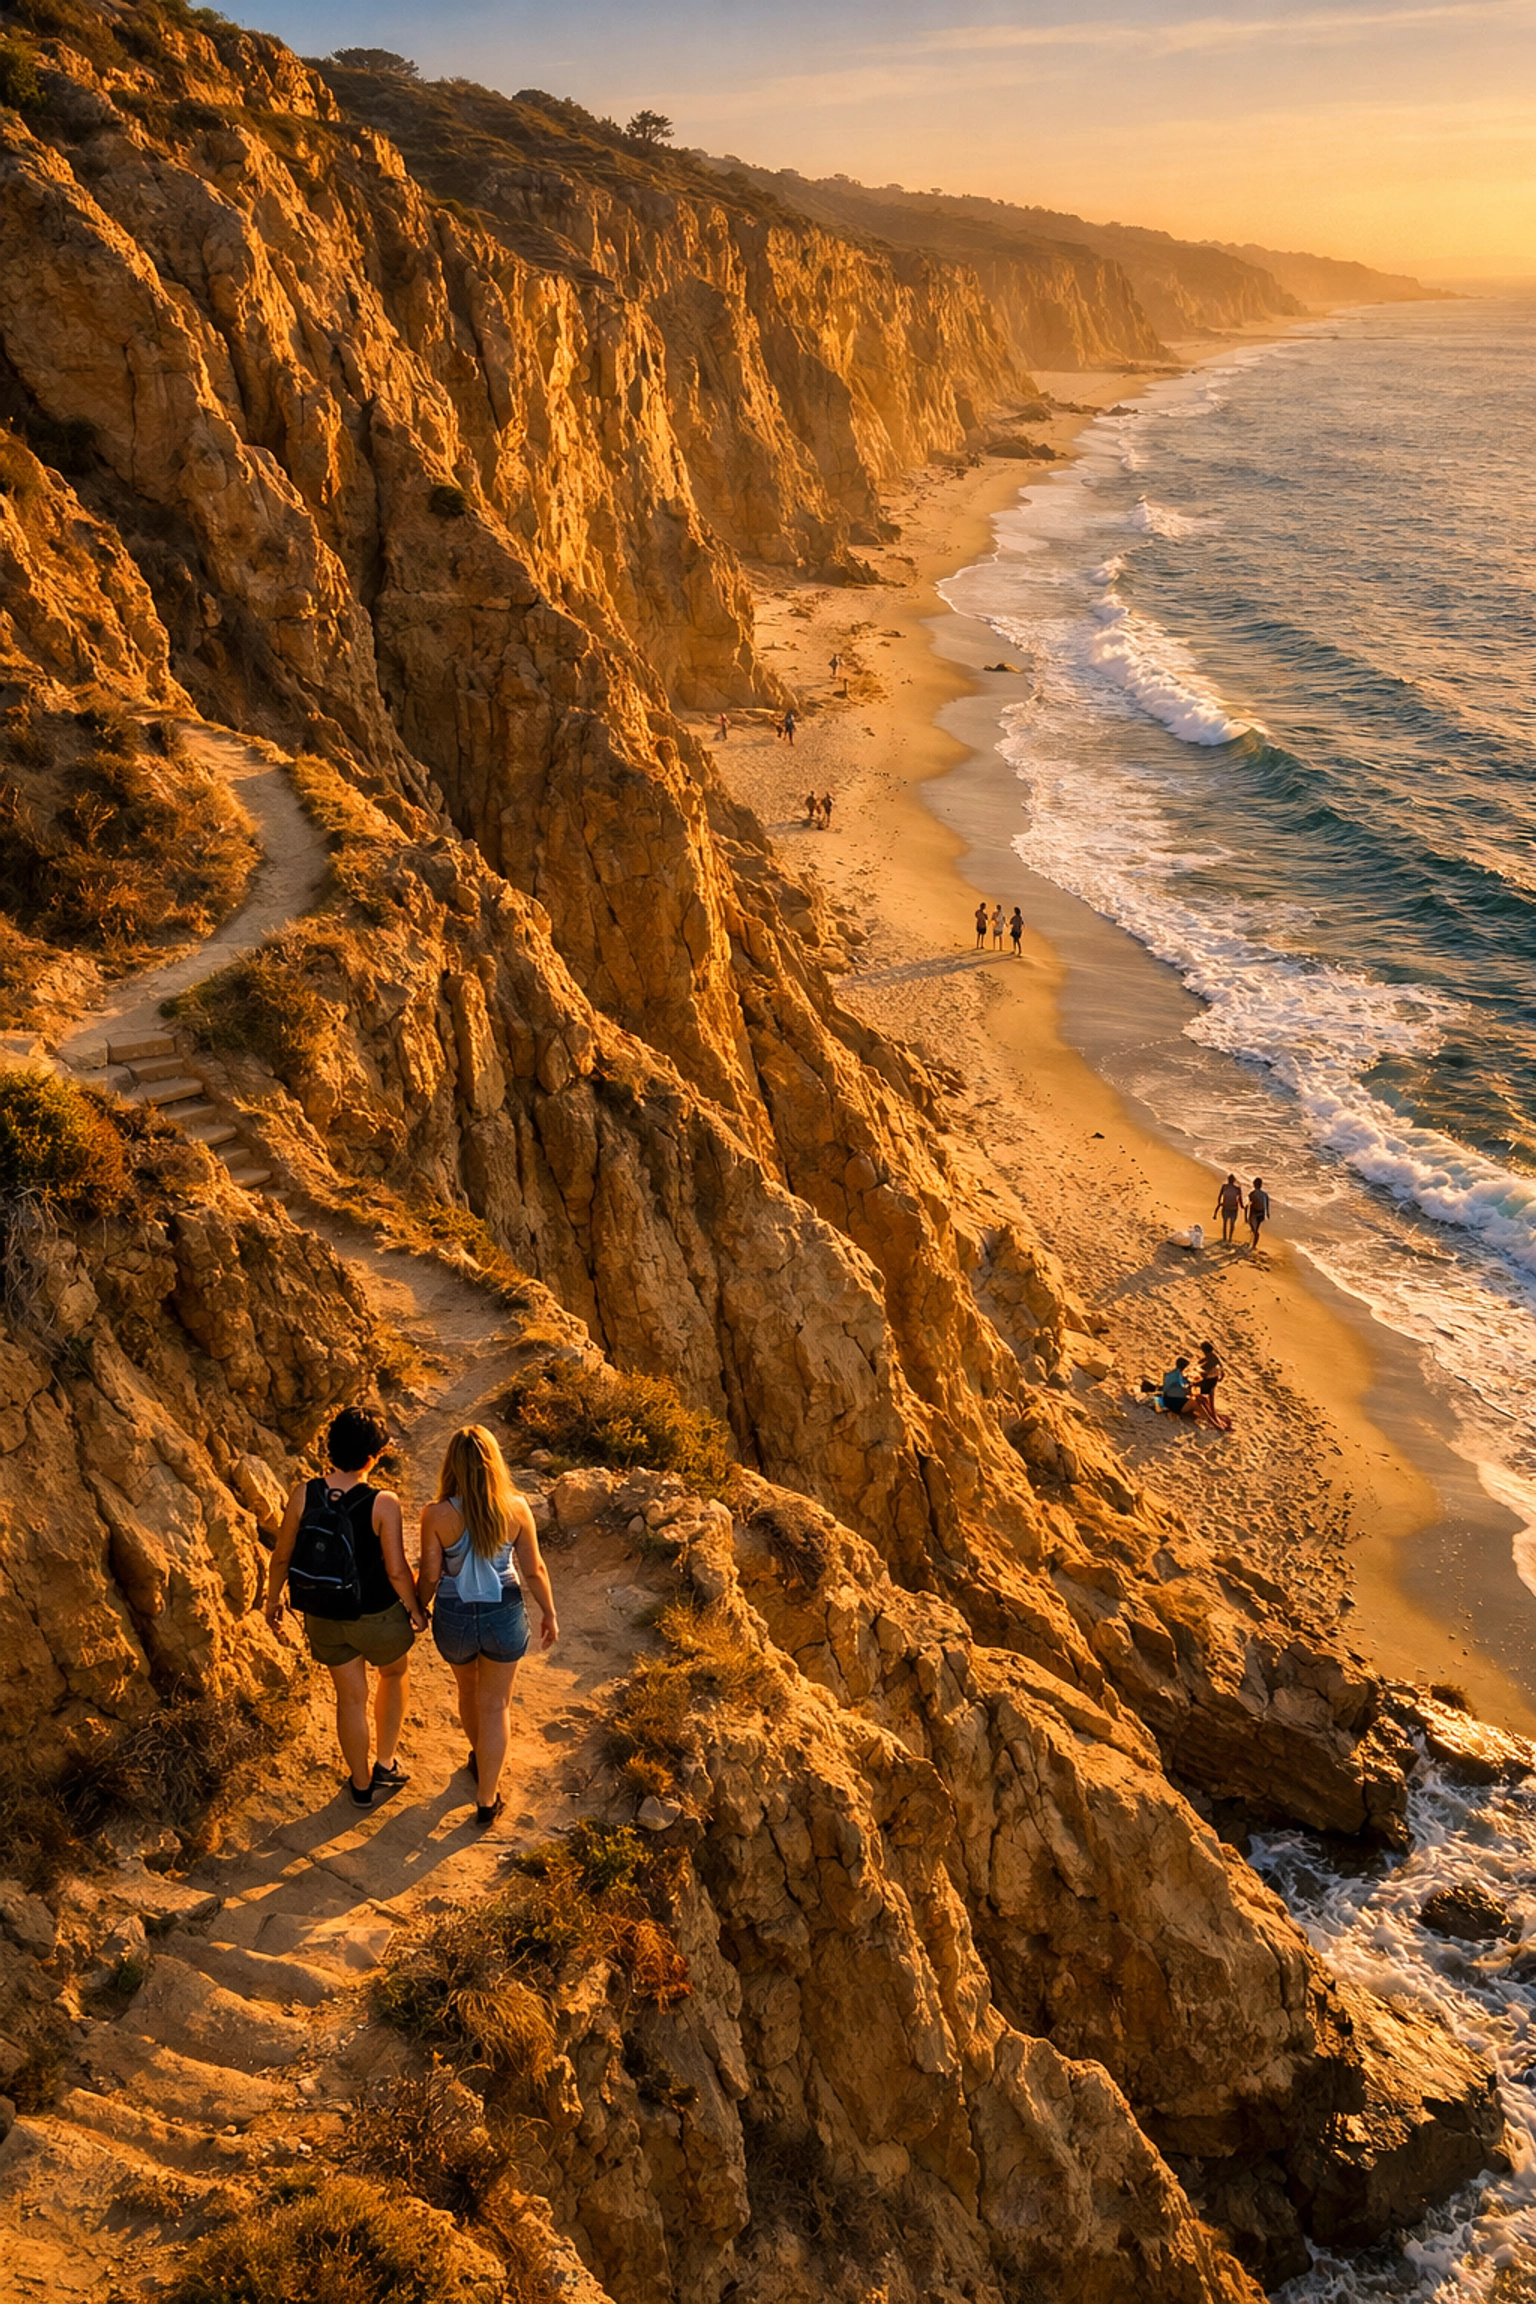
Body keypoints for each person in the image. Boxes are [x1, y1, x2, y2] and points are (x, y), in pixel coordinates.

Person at [264, 1407, 425, 1809]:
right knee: (394, 1671)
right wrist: (416, 1608)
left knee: (350, 1698)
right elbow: (397, 1570)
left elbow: (282, 1556)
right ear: (374, 1456)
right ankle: (385, 1762)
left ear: (330, 1447)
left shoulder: (305, 1493)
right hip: (376, 1616)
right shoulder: (383, 1503)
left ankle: (360, 1784)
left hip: (323, 1614)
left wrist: (271, 1601)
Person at [417, 1425, 560, 1829]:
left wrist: (417, 1608)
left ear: (452, 1465)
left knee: (468, 1690)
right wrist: (548, 1612)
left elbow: (430, 1573)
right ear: (494, 1463)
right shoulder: (515, 1508)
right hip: (504, 1612)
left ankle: (481, 1759)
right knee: (496, 1704)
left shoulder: (435, 1514)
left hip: (454, 1614)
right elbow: (533, 1569)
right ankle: (486, 1798)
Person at [1192, 1341, 1233, 1431]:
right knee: (1211, 1404)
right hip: (1213, 1381)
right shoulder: (1214, 1357)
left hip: (1208, 1383)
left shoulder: (1208, 1364)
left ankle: (1214, 1422)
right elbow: (1221, 1369)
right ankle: (1216, 1418)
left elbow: (1203, 1373)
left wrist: (1195, 1382)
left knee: (1202, 1401)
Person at [1214, 1173, 1244, 1245]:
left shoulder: (1225, 1187)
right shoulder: (1236, 1189)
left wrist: (1219, 1203)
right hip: (1232, 1208)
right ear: (1233, 1180)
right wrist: (1243, 1206)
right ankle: (1229, 1238)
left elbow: (1219, 1196)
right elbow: (1240, 1200)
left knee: (1225, 1223)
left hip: (1227, 1207)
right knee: (1231, 1224)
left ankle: (1226, 1238)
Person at [1247, 1176, 1271, 1249]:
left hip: (1254, 1213)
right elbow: (1266, 1203)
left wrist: (1248, 1216)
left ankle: (1254, 1243)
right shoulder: (1265, 1194)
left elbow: (1251, 1205)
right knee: (1255, 1228)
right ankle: (1253, 1242)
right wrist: (1267, 1213)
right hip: (1261, 1213)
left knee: (1254, 1229)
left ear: (1254, 1184)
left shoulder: (1252, 1193)